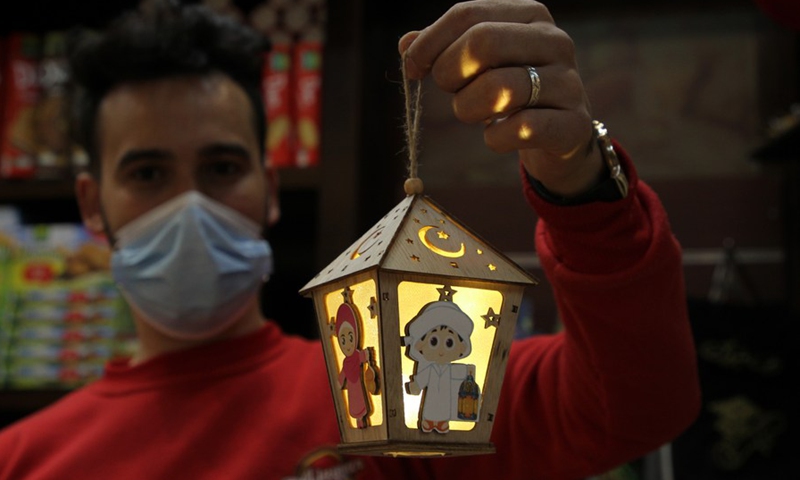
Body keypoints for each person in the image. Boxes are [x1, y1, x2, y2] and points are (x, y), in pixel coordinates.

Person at [0, 1, 701, 479]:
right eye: (148, 172)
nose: (191, 206)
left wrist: (578, 180)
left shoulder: (395, 393)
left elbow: (634, 404)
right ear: (94, 204)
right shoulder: (21, 459)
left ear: (270, 190)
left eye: (221, 168)